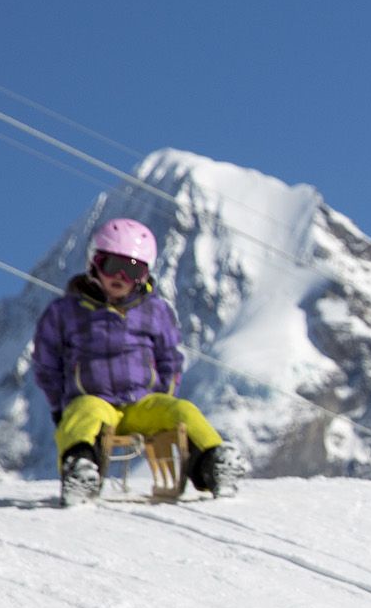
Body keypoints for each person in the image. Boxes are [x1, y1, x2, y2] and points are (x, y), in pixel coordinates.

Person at [33, 217, 242, 506]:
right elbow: (47, 363)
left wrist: (164, 395)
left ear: (144, 275)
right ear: (95, 263)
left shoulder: (155, 311)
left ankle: (213, 463)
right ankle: (80, 471)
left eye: (132, 269)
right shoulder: (66, 311)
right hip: (96, 401)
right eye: (111, 266)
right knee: (83, 414)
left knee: (182, 411)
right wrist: (60, 407)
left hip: (141, 404)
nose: (120, 276)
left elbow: (169, 357)